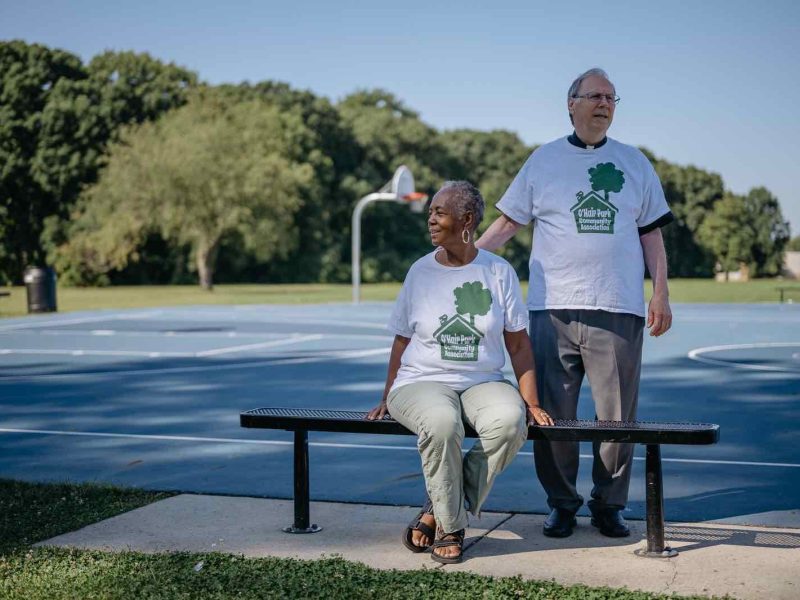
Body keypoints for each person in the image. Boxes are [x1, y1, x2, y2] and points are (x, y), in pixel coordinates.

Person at [476, 68, 673, 539]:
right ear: (571, 103)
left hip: (617, 308)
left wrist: (661, 291)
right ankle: (562, 503)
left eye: (611, 97)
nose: (604, 104)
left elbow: (652, 235)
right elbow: (507, 225)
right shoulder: (543, 161)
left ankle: (610, 505)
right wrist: (464, 262)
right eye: (594, 96)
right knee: (552, 416)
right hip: (551, 310)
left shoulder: (634, 163)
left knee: (617, 417)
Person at [367, 180, 553, 564]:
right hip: (420, 381)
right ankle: (452, 526)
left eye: (439, 212)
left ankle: (438, 507)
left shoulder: (498, 272)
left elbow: (518, 344)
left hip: (482, 381)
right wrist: (387, 395)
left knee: (509, 421)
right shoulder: (419, 272)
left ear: (466, 220)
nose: (430, 219)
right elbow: (402, 341)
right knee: (441, 422)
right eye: (431, 211)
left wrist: (531, 401)